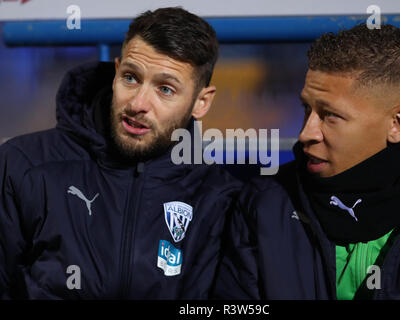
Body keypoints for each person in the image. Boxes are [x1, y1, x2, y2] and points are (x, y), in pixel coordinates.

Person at [0, 7, 241, 299]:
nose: (138, 103)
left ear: (201, 102)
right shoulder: (23, 165)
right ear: (116, 71)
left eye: (165, 89)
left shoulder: (218, 198)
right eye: (130, 78)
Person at [214, 23, 400, 299]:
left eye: (330, 116)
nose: (305, 134)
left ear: (398, 124)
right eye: (306, 109)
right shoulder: (265, 205)